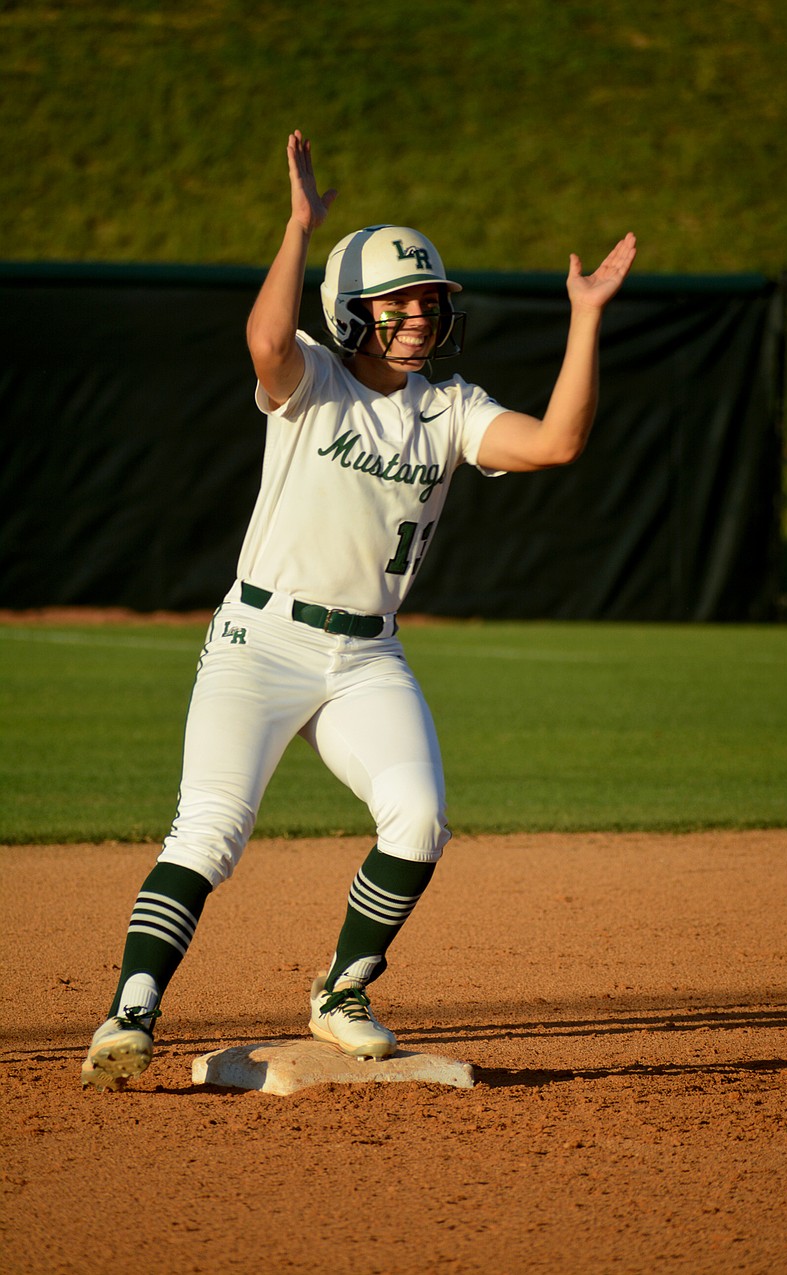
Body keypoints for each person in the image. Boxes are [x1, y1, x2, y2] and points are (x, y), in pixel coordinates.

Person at [81, 130, 636, 1089]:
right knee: (209, 832)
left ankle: (340, 990)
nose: (421, 313)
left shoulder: (450, 407)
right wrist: (298, 227)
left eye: (429, 300)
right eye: (399, 302)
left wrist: (585, 318)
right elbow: (263, 341)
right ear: (349, 314)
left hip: (366, 657)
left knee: (418, 819)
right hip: (261, 638)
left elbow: (555, 444)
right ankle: (132, 1010)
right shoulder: (313, 378)